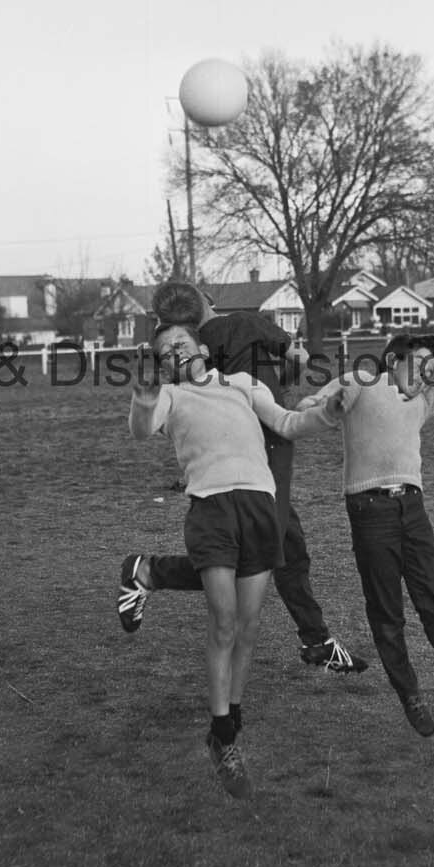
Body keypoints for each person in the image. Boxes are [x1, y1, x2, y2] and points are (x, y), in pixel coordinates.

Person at [129, 320, 341, 798]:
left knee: (248, 628)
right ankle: (222, 729)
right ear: (161, 364)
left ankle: (229, 725)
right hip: (212, 509)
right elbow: (141, 432)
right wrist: (143, 399)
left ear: (203, 348)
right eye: (165, 351)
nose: (175, 352)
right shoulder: (170, 397)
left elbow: (287, 423)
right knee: (223, 622)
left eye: (181, 342)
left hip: (259, 507)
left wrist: (328, 412)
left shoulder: (244, 385)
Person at [118, 280, 368, 675]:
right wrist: (279, 384)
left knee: (287, 543)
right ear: (208, 299)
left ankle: (317, 640)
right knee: (262, 551)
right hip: (268, 441)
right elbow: (299, 358)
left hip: (229, 450)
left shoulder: (188, 349)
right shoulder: (247, 325)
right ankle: (149, 571)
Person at [298, 281, 434, 737]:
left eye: (432, 368)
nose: (427, 373)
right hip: (369, 512)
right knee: (387, 611)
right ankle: (409, 693)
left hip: (413, 511)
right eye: (420, 364)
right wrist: (329, 407)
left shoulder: (423, 402)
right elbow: (311, 407)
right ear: (394, 359)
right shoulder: (359, 383)